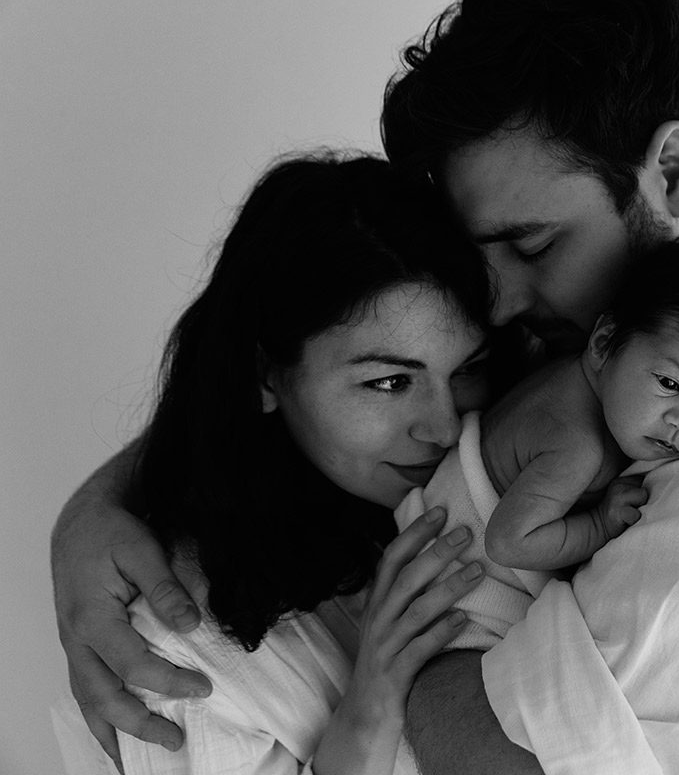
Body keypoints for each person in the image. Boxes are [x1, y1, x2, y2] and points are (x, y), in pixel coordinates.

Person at [52, 0, 679, 773]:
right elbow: (315, 372)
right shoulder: (590, 318)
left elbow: (507, 756)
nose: (503, 306)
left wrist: (407, 670)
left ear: (672, 173)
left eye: (532, 246)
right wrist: (100, 507)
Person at [53, 153, 499, 774]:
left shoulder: (493, 484)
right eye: (390, 382)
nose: (445, 426)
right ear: (266, 374)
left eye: (469, 371)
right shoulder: (178, 661)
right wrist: (368, 719)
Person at [483, 240, 679, 571]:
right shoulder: (574, 446)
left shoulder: (571, 375)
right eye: (669, 384)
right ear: (603, 343)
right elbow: (508, 543)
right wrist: (600, 524)